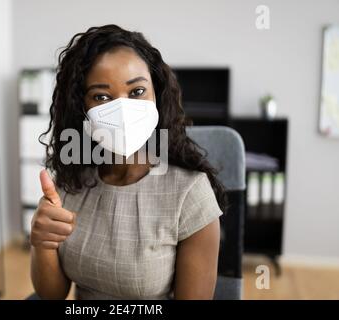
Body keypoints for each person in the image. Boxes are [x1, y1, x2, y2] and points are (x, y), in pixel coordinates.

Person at [30, 24, 226, 300]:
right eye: (101, 96)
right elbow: (52, 295)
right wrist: (41, 243)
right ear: (82, 109)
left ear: (157, 95)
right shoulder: (69, 184)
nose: (122, 110)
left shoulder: (190, 193)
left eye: (136, 92)